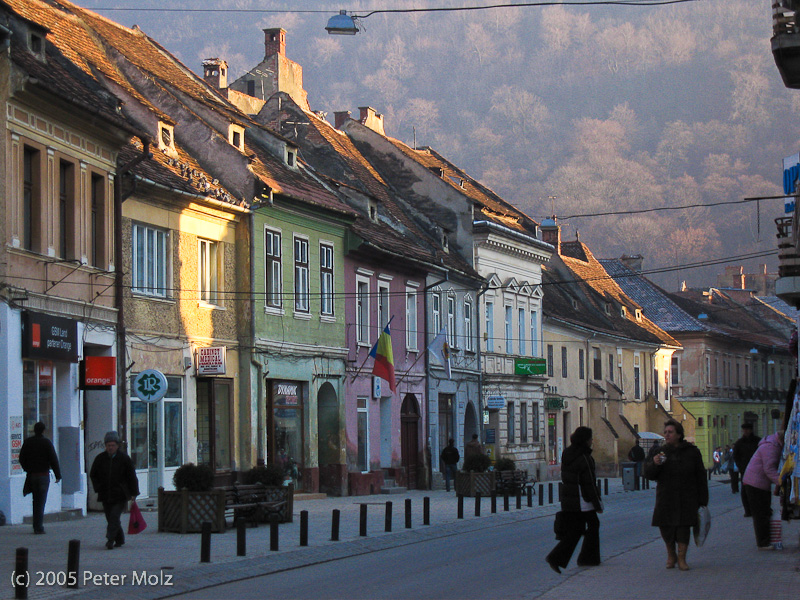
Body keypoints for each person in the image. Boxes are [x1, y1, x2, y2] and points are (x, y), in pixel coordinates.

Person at [644, 419, 708, 571]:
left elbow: (701, 476)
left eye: (670, 432)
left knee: (683, 528)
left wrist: (703, 499)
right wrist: (654, 463)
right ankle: (671, 554)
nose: (667, 435)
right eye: (665, 432)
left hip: (687, 496)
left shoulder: (692, 452)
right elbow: (648, 474)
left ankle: (681, 558)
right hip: (666, 496)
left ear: (679, 434)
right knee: (666, 528)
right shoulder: (660, 452)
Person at [545, 426, 603, 574]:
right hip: (582, 500)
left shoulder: (567, 453)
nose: (592, 441)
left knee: (578, 529)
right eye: (590, 438)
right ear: (585, 440)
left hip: (569, 499)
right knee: (592, 524)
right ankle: (586, 557)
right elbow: (589, 483)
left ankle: (563, 557)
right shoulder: (584, 458)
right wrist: (597, 504)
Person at [90, 431, 139, 550]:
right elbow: (93, 474)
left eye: (112, 445)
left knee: (114, 517)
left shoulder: (124, 459)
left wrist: (134, 493)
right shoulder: (100, 459)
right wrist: (98, 487)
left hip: (120, 494)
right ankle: (120, 539)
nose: (110, 448)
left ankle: (110, 540)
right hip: (105, 493)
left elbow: (131, 476)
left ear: (117, 446)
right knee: (110, 517)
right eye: (108, 445)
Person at [742, 430, 784, 550]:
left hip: (758, 483)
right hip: (755, 484)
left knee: (764, 512)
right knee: (761, 514)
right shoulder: (771, 447)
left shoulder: (772, 444)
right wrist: (781, 483)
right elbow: (769, 469)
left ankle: (766, 540)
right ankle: (763, 542)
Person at [18, 422, 61, 534]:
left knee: (35, 501)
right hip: (43, 476)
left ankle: (35, 525)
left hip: (32, 476)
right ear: (43, 430)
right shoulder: (46, 442)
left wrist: (27, 468)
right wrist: (58, 475)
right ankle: (38, 526)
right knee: (41, 501)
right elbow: (53, 459)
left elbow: (21, 458)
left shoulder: (28, 442)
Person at [733, 423, 761, 515]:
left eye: (747, 429)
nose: (746, 431)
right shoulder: (739, 443)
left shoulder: (757, 441)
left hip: (757, 469)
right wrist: (741, 467)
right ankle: (748, 510)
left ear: (751, 430)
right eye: (744, 429)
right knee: (745, 490)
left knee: (758, 489)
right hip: (745, 469)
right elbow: (736, 456)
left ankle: (757, 508)